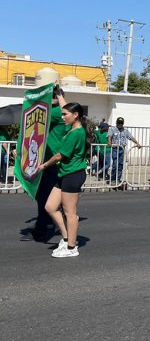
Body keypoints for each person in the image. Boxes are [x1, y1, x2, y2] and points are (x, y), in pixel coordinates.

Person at [38, 103, 92, 258]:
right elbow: (66, 106)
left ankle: (71, 248)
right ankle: (67, 237)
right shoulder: (72, 128)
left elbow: (60, 155)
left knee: (70, 213)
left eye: (65, 114)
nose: (62, 117)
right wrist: (59, 93)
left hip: (73, 175)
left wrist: (45, 165)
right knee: (50, 207)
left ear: (75, 115)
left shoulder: (76, 133)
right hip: (64, 174)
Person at [21, 85, 69, 241]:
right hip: (44, 162)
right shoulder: (53, 112)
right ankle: (49, 222)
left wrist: (55, 95)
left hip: (51, 163)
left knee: (44, 198)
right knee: (44, 197)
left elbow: (62, 110)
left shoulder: (54, 113)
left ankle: (44, 227)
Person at [107, 117, 141, 185]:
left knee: (120, 165)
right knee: (115, 165)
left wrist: (137, 143)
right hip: (115, 149)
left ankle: (118, 179)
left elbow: (131, 137)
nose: (120, 124)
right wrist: (109, 142)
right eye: (119, 123)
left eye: (121, 123)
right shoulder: (112, 129)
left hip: (122, 150)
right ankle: (113, 179)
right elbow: (109, 136)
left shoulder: (125, 131)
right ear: (116, 123)